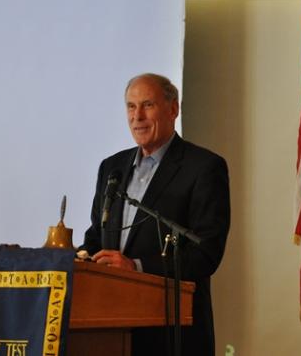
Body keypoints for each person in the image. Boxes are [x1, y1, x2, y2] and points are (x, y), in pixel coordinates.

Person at [80, 73, 230, 356]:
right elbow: (96, 240)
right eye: (130, 106)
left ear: (173, 109)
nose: (137, 116)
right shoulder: (112, 168)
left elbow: (206, 253)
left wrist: (135, 267)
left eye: (147, 105)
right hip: (109, 332)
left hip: (171, 335)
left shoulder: (204, 168)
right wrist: (66, 261)